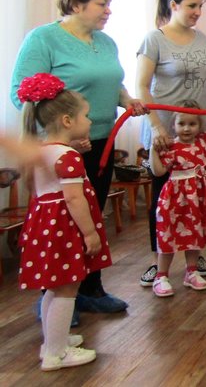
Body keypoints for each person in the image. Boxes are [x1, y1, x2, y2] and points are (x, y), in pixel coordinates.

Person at [11, 0, 147, 319]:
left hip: (101, 142)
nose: (108, 11)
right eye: (102, 4)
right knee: (62, 223)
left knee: (92, 217)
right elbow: (22, 94)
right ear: (76, 4)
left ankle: (89, 289)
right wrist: (63, 136)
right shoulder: (43, 39)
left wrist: (127, 99)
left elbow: (113, 84)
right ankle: (56, 297)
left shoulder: (106, 42)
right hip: (61, 150)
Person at [16, 74, 112, 370]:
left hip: (45, 229)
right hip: (65, 230)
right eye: (86, 115)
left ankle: (52, 341)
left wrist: (75, 152)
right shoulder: (68, 157)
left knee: (54, 289)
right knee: (67, 290)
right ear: (68, 121)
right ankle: (56, 354)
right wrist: (90, 233)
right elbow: (73, 199)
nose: (90, 120)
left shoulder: (43, 152)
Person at [136, 0, 206, 288]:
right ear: (174, 5)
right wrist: (157, 127)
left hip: (196, 132)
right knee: (164, 200)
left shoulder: (201, 40)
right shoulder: (154, 39)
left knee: (195, 196)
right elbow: (142, 86)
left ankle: (193, 258)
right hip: (166, 133)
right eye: (192, 6)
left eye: (200, 6)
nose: (198, 12)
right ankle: (159, 263)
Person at [148, 100, 206, 297]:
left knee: (195, 234)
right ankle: (161, 276)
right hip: (175, 200)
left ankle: (191, 271)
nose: (186, 128)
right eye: (181, 123)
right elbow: (158, 171)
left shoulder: (204, 142)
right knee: (169, 235)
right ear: (174, 125)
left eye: (192, 124)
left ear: (199, 125)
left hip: (198, 199)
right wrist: (153, 150)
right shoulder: (170, 146)